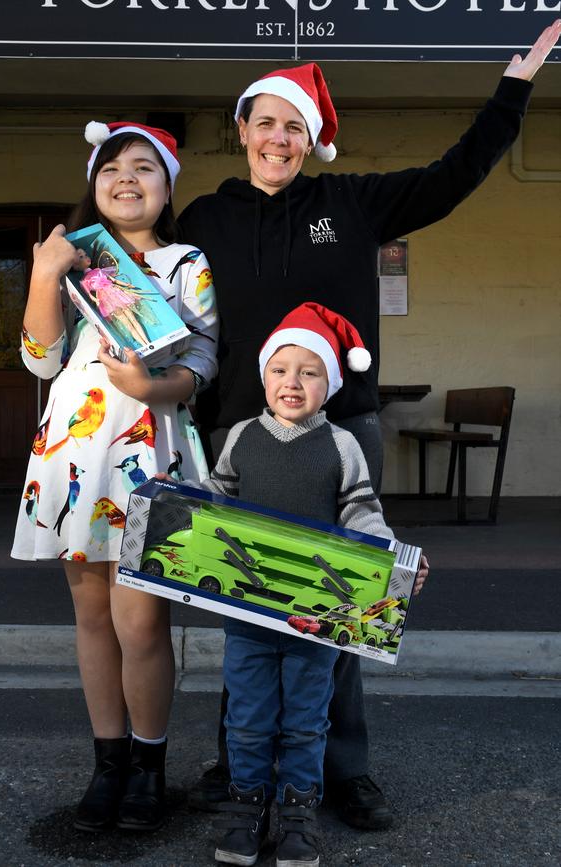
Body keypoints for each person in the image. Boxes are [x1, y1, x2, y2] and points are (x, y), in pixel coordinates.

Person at [178, 20, 561, 829]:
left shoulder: (351, 202)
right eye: (265, 122)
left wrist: (513, 89)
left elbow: (455, 175)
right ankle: (239, 756)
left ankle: (340, 768)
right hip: (237, 436)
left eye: (294, 126)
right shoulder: (205, 218)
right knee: (243, 599)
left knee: (339, 600)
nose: (278, 139)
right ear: (241, 129)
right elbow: (152, 299)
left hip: (341, 432)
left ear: (309, 139)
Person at [11, 120, 218, 833]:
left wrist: (158, 386)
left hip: (151, 448)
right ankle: (108, 764)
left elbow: (206, 356)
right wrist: (43, 273)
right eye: (111, 168)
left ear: (166, 188)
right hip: (76, 449)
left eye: (143, 168)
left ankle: (150, 767)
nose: (126, 179)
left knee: (142, 621)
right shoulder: (74, 256)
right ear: (94, 185)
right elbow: (40, 358)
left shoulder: (187, 261)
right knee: (93, 617)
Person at [200, 303, 423, 867]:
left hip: (315, 621)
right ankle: (246, 808)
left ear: (330, 382)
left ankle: (299, 813)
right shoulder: (241, 438)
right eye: (280, 369)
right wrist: (176, 508)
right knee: (247, 719)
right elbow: (215, 502)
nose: (292, 382)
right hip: (247, 616)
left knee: (305, 720)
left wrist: (394, 561)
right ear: (262, 377)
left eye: (309, 371)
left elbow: (364, 517)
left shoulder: (342, 446)